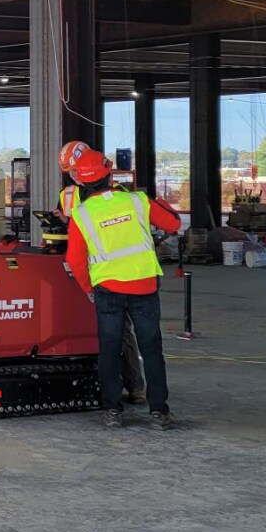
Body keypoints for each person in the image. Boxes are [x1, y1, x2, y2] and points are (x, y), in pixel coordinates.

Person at [65, 150, 182, 430]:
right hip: (144, 286)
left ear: (81, 183)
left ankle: (112, 411)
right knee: (151, 349)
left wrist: (88, 289)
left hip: (107, 289)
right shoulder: (137, 201)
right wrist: (158, 201)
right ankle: (159, 411)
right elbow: (174, 223)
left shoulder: (81, 214)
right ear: (109, 175)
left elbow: (74, 259)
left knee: (109, 349)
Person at [57, 141, 147, 407]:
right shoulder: (69, 194)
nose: (73, 175)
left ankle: (135, 386)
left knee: (122, 332)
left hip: (114, 272)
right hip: (87, 265)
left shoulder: (117, 193)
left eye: (75, 169)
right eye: (69, 172)